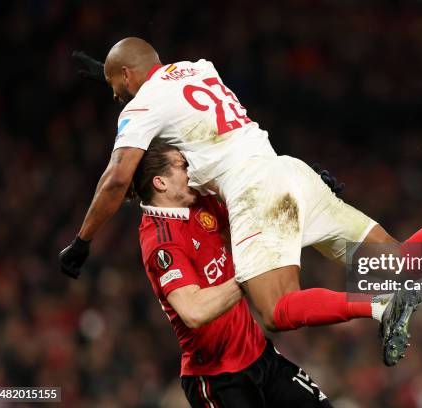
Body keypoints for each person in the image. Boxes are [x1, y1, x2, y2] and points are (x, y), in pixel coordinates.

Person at [60, 38, 422, 367]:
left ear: (128, 78)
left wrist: (82, 242)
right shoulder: (198, 68)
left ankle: (381, 307)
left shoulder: (142, 103)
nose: (117, 101)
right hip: (288, 168)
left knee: (275, 309)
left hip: (257, 190)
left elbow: (115, 179)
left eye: (114, 90)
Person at [135, 139, 332, 407]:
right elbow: (194, 311)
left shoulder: (199, 200)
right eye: (183, 166)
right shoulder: (162, 241)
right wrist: (249, 275)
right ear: (161, 183)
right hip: (220, 380)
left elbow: (253, 215)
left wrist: (299, 193)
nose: (192, 170)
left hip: (260, 354)